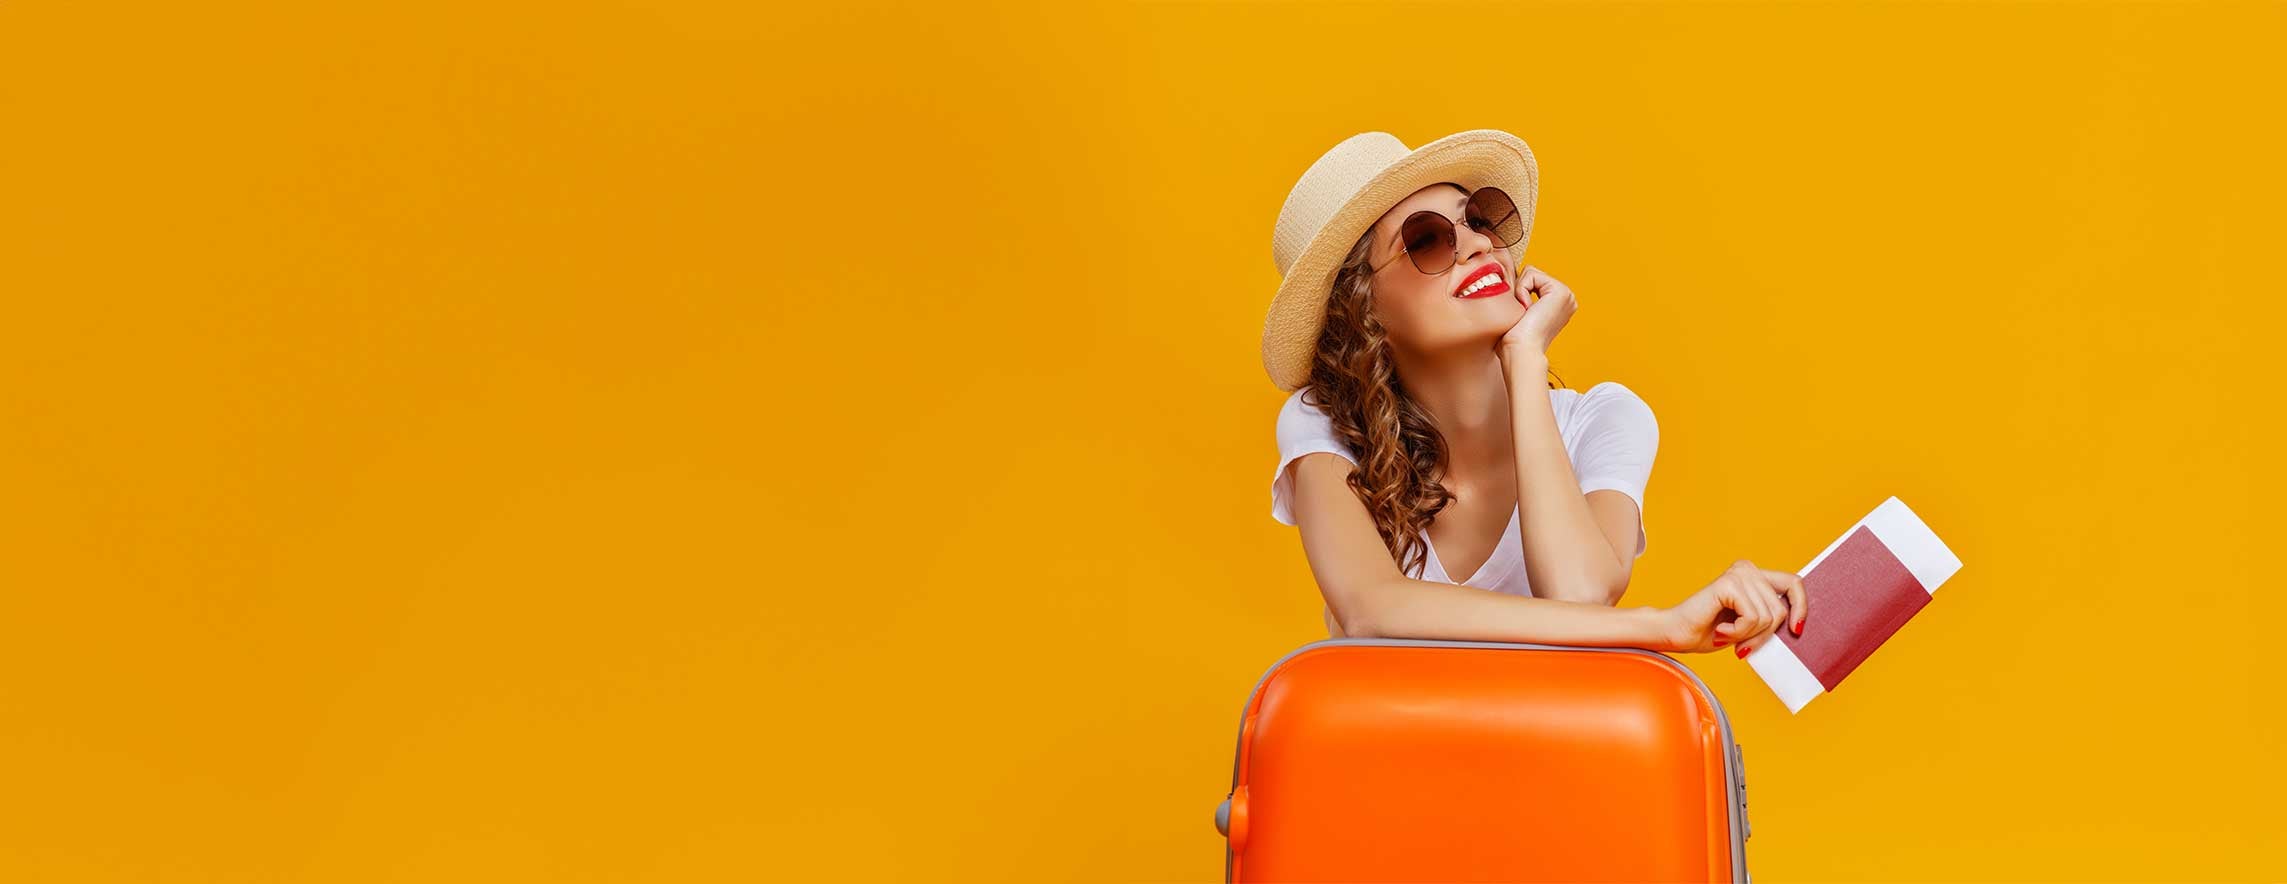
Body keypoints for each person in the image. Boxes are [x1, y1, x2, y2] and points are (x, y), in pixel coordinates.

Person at [1261, 129, 1805, 657]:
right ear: (1364, 309)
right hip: (1389, 745)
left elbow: (1579, 595)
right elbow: (1370, 609)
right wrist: (1659, 626)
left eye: (1478, 220)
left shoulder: (1606, 421)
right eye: (1427, 240)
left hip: (1549, 747)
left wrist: (1524, 359)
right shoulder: (1325, 425)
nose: (1478, 244)